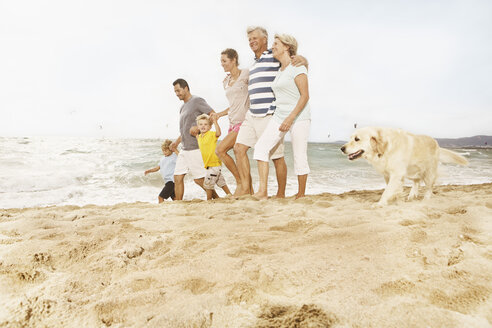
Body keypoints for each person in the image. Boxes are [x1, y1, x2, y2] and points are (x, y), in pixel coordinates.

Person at [233, 26, 308, 197]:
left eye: (254, 38)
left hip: (269, 113)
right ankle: (246, 189)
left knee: (276, 157)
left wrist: (304, 59)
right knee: (238, 148)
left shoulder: (274, 56)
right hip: (252, 114)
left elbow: (293, 62)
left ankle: (280, 194)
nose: (251, 41)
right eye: (249, 39)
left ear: (264, 39)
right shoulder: (253, 64)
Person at [253, 34, 311, 199]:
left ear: (287, 46)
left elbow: (305, 96)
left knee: (299, 155)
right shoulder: (280, 70)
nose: (273, 46)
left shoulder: (298, 67)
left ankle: (300, 194)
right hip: (279, 115)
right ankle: (263, 191)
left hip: (299, 116)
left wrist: (290, 118)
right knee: (261, 149)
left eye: (276, 43)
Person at [169, 78, 218, 200]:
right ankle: (178, 203)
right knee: (177, 177)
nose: (177, 94)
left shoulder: (197, 101)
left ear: (186, 88)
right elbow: (185, 129)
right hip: (184, 149)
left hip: (196, 147)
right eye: (175, 92)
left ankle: (216, 198)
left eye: (179, 90)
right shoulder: (182, 107)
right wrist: (176, 142)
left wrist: (199, 127)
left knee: (199, 179)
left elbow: (213, 115)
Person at [210, 48, 249, 196]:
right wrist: (219, 114)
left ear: (234, 60)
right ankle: (248, 190)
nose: (222, 64)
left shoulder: (245, 74)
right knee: (240, 158)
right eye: (221, 61)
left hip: (244, 122)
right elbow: (233, 105)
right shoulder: (226, 81)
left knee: (220, 150)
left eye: (224, 61)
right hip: (232, 123)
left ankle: (240, 183)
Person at [195, 114, 232, 200]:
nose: (203, 126)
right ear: (198, 126)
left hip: (214, 163)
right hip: (209, 165)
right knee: (220, 182)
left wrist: (215, 122)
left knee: (207, 184)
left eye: (205, 124)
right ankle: (230, 194)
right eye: (201, 124)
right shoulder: (200, 137)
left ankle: (208, 200)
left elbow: (218, 133)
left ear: (210, 127)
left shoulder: (211, 134)